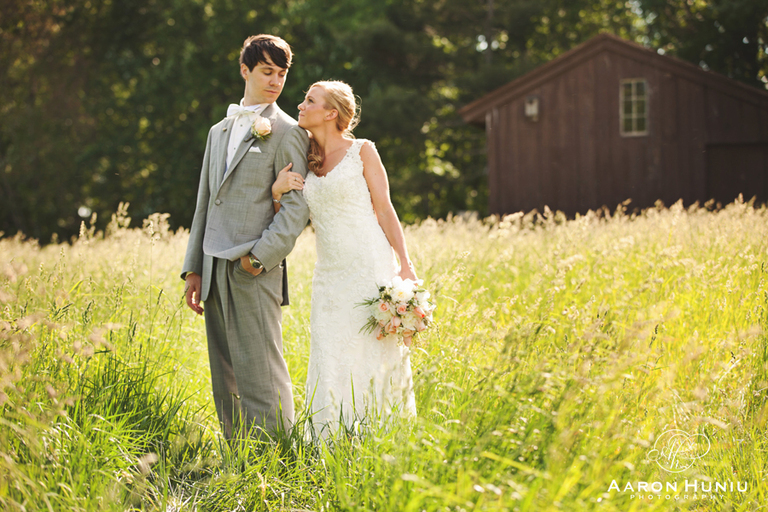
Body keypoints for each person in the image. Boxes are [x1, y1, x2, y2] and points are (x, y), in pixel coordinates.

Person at [181, 35, 310, 439]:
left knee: (262, 369)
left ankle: (278, 453)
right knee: (225, 372)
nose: (275, 82)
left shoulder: (289, 131)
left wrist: (259, 259)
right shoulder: (217, 131)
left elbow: (296, 209)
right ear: (245, 70)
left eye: (281, 74)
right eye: (267, 72)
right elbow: (205, 202)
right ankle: (238, 455)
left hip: (253, 266)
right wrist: (193, 269)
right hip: (212, 264)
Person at [272, 80, 417, 437]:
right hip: (329, 273)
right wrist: (277, 191)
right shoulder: (304, 158)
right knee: (329, 349)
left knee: (372, 347)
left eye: (310, 100)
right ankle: (329, 439)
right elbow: (287, 216)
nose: (300, 105)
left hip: (369, 264)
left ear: (330, 113)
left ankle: (382, 433)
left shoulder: (363, 151)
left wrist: (405, 264)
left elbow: (384, 210)